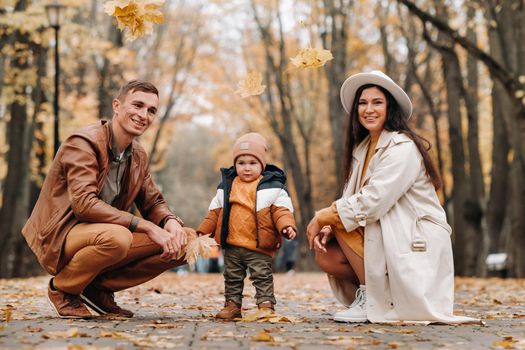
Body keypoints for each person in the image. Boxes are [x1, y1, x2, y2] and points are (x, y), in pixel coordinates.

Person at [306, 71, 479, 324]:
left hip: (414, 238)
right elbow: (353, 201)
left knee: (337, 217)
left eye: (377, 102)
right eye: (363, 103)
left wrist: (324, 217)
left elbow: (373, 202)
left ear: (390, 108)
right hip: (386, 233)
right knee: (326, 253)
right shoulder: (361, 149)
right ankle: (375, 296)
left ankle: (373, 299)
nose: (369, 109)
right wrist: (332, 226)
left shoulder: (402, 146)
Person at [22, 80, 190, 319]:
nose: (144, 115)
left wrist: (170, 222)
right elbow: (84, 204)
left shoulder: (138, 154)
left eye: (151, 110)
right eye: (138, 105)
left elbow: (153, 202)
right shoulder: (83, 142)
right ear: (117, 106)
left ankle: (97, 288)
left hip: (102, 235)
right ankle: (63, 289)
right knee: (118, 237)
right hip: (61, 235)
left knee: (186, 242)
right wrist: (146, 226)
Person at [197, 132, 297, 320]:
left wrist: (286, 226)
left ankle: (266, 305)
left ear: (262, 164)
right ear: (235, 164)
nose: (247, 168)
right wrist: (204, 231)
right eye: (241, 163)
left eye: (252, 163)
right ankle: (232, 305)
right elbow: (215, 211)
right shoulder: (226, 185)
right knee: (232, 277)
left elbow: (282, 210)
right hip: (232, 243)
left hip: (258, 245)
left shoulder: (272, 187)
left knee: (262, 276)